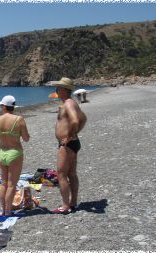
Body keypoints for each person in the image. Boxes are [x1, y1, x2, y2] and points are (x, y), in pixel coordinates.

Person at [50, 77, 87, 214]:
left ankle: (65, 206)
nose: (56, 90)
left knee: (61, 174)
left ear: (64, 90)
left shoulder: (68, 104)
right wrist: (74, 134)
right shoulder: (71, 103)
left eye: (58, 88)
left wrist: (69, 136)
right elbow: (84, 119)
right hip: (73, 143)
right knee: (71, 173)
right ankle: (73, 203)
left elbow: (76, 120)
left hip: (67, 144)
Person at [0, 95, 30, 216]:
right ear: (13, 106)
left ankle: (4, 209)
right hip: (15, 153)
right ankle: (8, 211)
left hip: (2, 154)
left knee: (3, 183)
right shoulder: (19, 119)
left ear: (3, 106)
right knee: (12, 184)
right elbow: (26, 138)